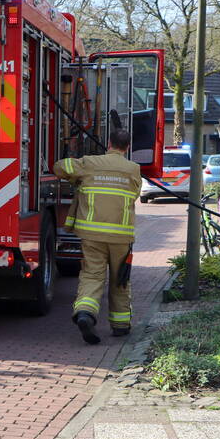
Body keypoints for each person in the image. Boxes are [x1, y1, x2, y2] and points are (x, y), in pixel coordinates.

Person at [53, 128, 142, 345]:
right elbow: (136, 194)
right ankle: (120, 326)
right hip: (121, 237)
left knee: (92, 275)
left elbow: (59, 168)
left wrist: (77, 178)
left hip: (92, 234)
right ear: (127, 147)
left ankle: (85, 313)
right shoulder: (133, 169)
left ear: (108, 143)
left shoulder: (90, 163)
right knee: (120, 279)